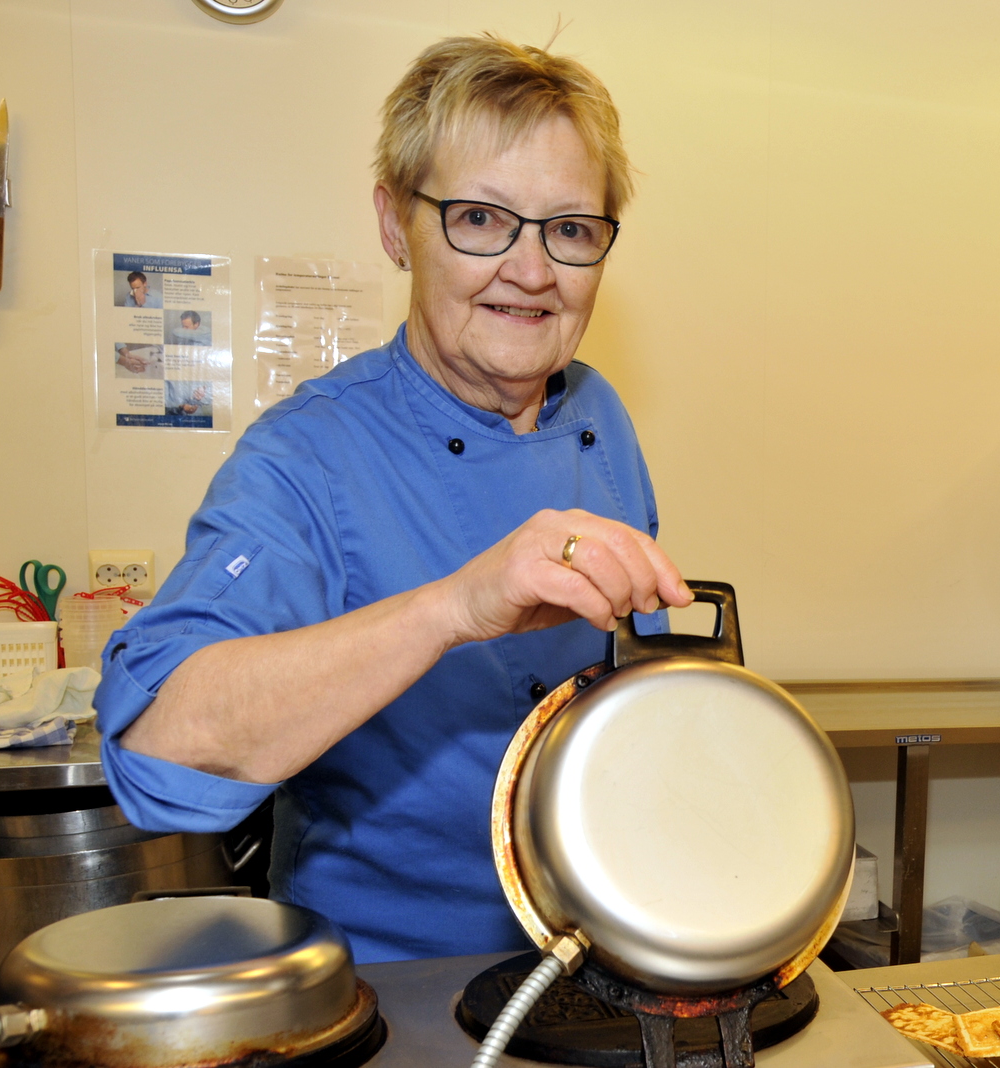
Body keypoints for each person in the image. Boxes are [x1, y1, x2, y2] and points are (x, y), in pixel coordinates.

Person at [96, 35, 693, 963]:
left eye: (570, 229)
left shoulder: (601, 413)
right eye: (481, 219)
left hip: (599, 960)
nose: (532, 272)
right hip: (389, 988)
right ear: (393, 223)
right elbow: (160, 752)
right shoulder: (308, 455)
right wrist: (452, 609)